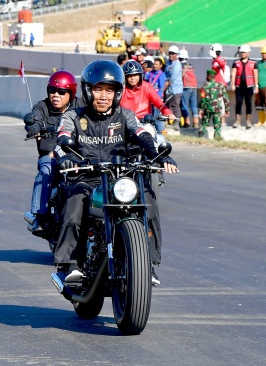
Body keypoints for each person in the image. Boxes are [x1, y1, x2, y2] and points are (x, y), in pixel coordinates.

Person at [54, 59, 179, 286]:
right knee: (74, 204)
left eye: (109, 91)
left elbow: (142, 134)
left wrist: (159, 154)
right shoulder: (74, 116)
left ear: (118, 93)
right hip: (85, 176)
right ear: (87, 91)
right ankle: (69, 264)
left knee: (148, 200)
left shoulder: (126, 116)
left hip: (120, 178)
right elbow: (63, 136)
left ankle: (147, 264)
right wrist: (67, 156)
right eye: (98, 89)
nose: (103, 96)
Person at [25, 70, 84, 232]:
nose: (56, 95)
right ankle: (40, 216)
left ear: (71, 93)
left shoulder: (81, 106)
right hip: (50, 156)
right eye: (52, 91)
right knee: (46, 169)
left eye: (61, 92)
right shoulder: (42, 107)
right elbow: (33, 120)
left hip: (78, 155)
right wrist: (33, 127)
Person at [230, 44, 258, 129]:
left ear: (248, 53)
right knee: (238, 103)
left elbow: (255, 74)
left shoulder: (253, 63)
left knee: (248, 103)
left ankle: (248, 121)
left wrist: (256, 85)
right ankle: (237, 121)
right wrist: (233, 84)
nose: (242, 54)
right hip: (239, 85)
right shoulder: (236, 62)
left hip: (249, 86)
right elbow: (233, 73)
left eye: (244, 52)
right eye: (241, 52)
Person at [199, 69, 230, 140]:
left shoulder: (205, 86)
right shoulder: (220, 86)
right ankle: (217, 136)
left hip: (207, 108)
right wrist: (227, 109)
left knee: (204, 123)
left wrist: (201, 109)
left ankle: (201, 135)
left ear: (209, 77)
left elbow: (202, 99)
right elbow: (226, 98)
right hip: (217, 108)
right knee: (217, 124)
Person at [163, 45, 183, 130]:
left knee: (175, 106)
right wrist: (162, 52)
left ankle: (176, 123)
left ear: (176, 55)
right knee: (169, 105)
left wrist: (163, 87)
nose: (171, 55)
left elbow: (172, 78)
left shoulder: (177, 64)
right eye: (170, 53)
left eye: (173, 54)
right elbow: (165, 60)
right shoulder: (169, 63)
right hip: (170, 90)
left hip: (176, 89)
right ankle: (170, 122)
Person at [179, 49, 199, 128]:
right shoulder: (191, 65)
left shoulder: (180, 65)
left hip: (186, 87)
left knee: (185, 105)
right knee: (194, 105)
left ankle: (187, 122)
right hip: (194, 86)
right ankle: (196, 122)